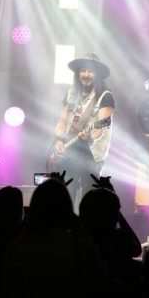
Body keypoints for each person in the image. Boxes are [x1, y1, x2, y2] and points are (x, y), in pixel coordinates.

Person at [51, 53, 115, 211]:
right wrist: (59, 140)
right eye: (83, 71)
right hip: (69, 151)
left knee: (90, 199)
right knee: (65, 196)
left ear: (97, 74)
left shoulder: (105, 96)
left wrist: (90, 135)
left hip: (91, 155)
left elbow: (102, 124)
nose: (86, 75)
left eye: (90, 71)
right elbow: (62, 121)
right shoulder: (71, 93)